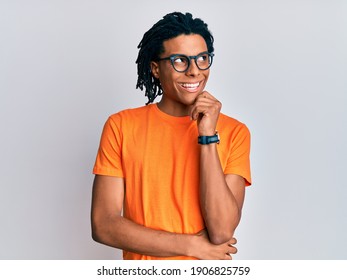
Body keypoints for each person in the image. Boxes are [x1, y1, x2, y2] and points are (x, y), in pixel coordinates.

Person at [91, 11, 251, 260]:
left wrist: (207, 136)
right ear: (156, 69)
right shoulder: (121, 126)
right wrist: (191, 246)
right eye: (180, 61)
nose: (194, 71)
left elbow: (221, 231)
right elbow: (104, 225)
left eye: (202, 59)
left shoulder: (235, 132)